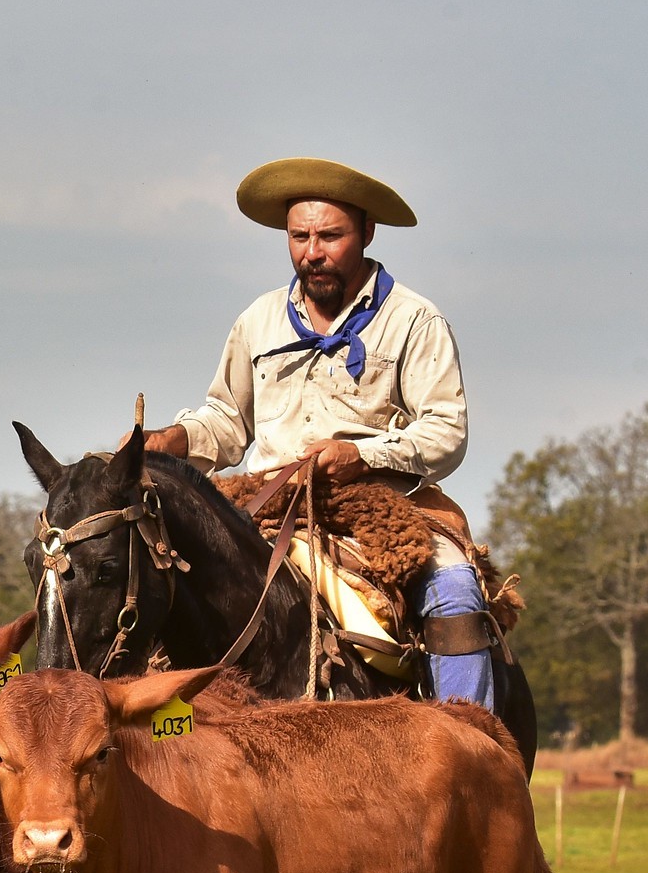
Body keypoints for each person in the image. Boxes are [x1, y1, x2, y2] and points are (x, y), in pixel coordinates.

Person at [140, 157, 495, 710]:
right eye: (299, 236)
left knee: (455, 594)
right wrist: (172, 441)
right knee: (164, 586)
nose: (313, 252)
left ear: (366, 233)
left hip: (381, 505)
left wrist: (360, 453)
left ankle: (473, 744)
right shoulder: (258, 321)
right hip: (267, 502)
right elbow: (228, 423)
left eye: (330, 235)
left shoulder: (413, 320)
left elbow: (446, 432)